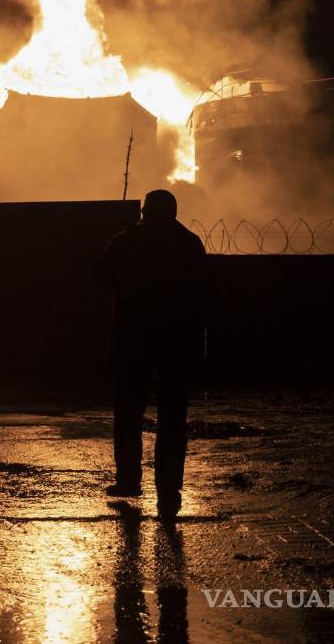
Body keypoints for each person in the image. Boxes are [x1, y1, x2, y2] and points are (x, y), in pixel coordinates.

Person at [94, 189, 211, 519]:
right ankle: (169, 487)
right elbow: (206, 296)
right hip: (176, 343)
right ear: (173, 212)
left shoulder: (128, 241)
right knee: (173, 418)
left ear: (145, 212)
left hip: (132, 341)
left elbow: (98, 276)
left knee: (128, 413)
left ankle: (129, 480)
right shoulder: (189, 244)